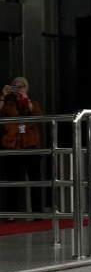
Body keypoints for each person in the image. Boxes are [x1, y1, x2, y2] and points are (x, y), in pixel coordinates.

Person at [1, 77, 45, 216]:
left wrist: (26, 100)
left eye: (22, 86)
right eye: (16, 86)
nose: (19, 89)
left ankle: (38, 213)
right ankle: (11, 214)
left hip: (30, 145)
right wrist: (3, 96)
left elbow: (38, 115)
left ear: (27, 88)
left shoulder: (33, 103)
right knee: (12, 182)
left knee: (35, 181)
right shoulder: (8, 104)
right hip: (13, 145)